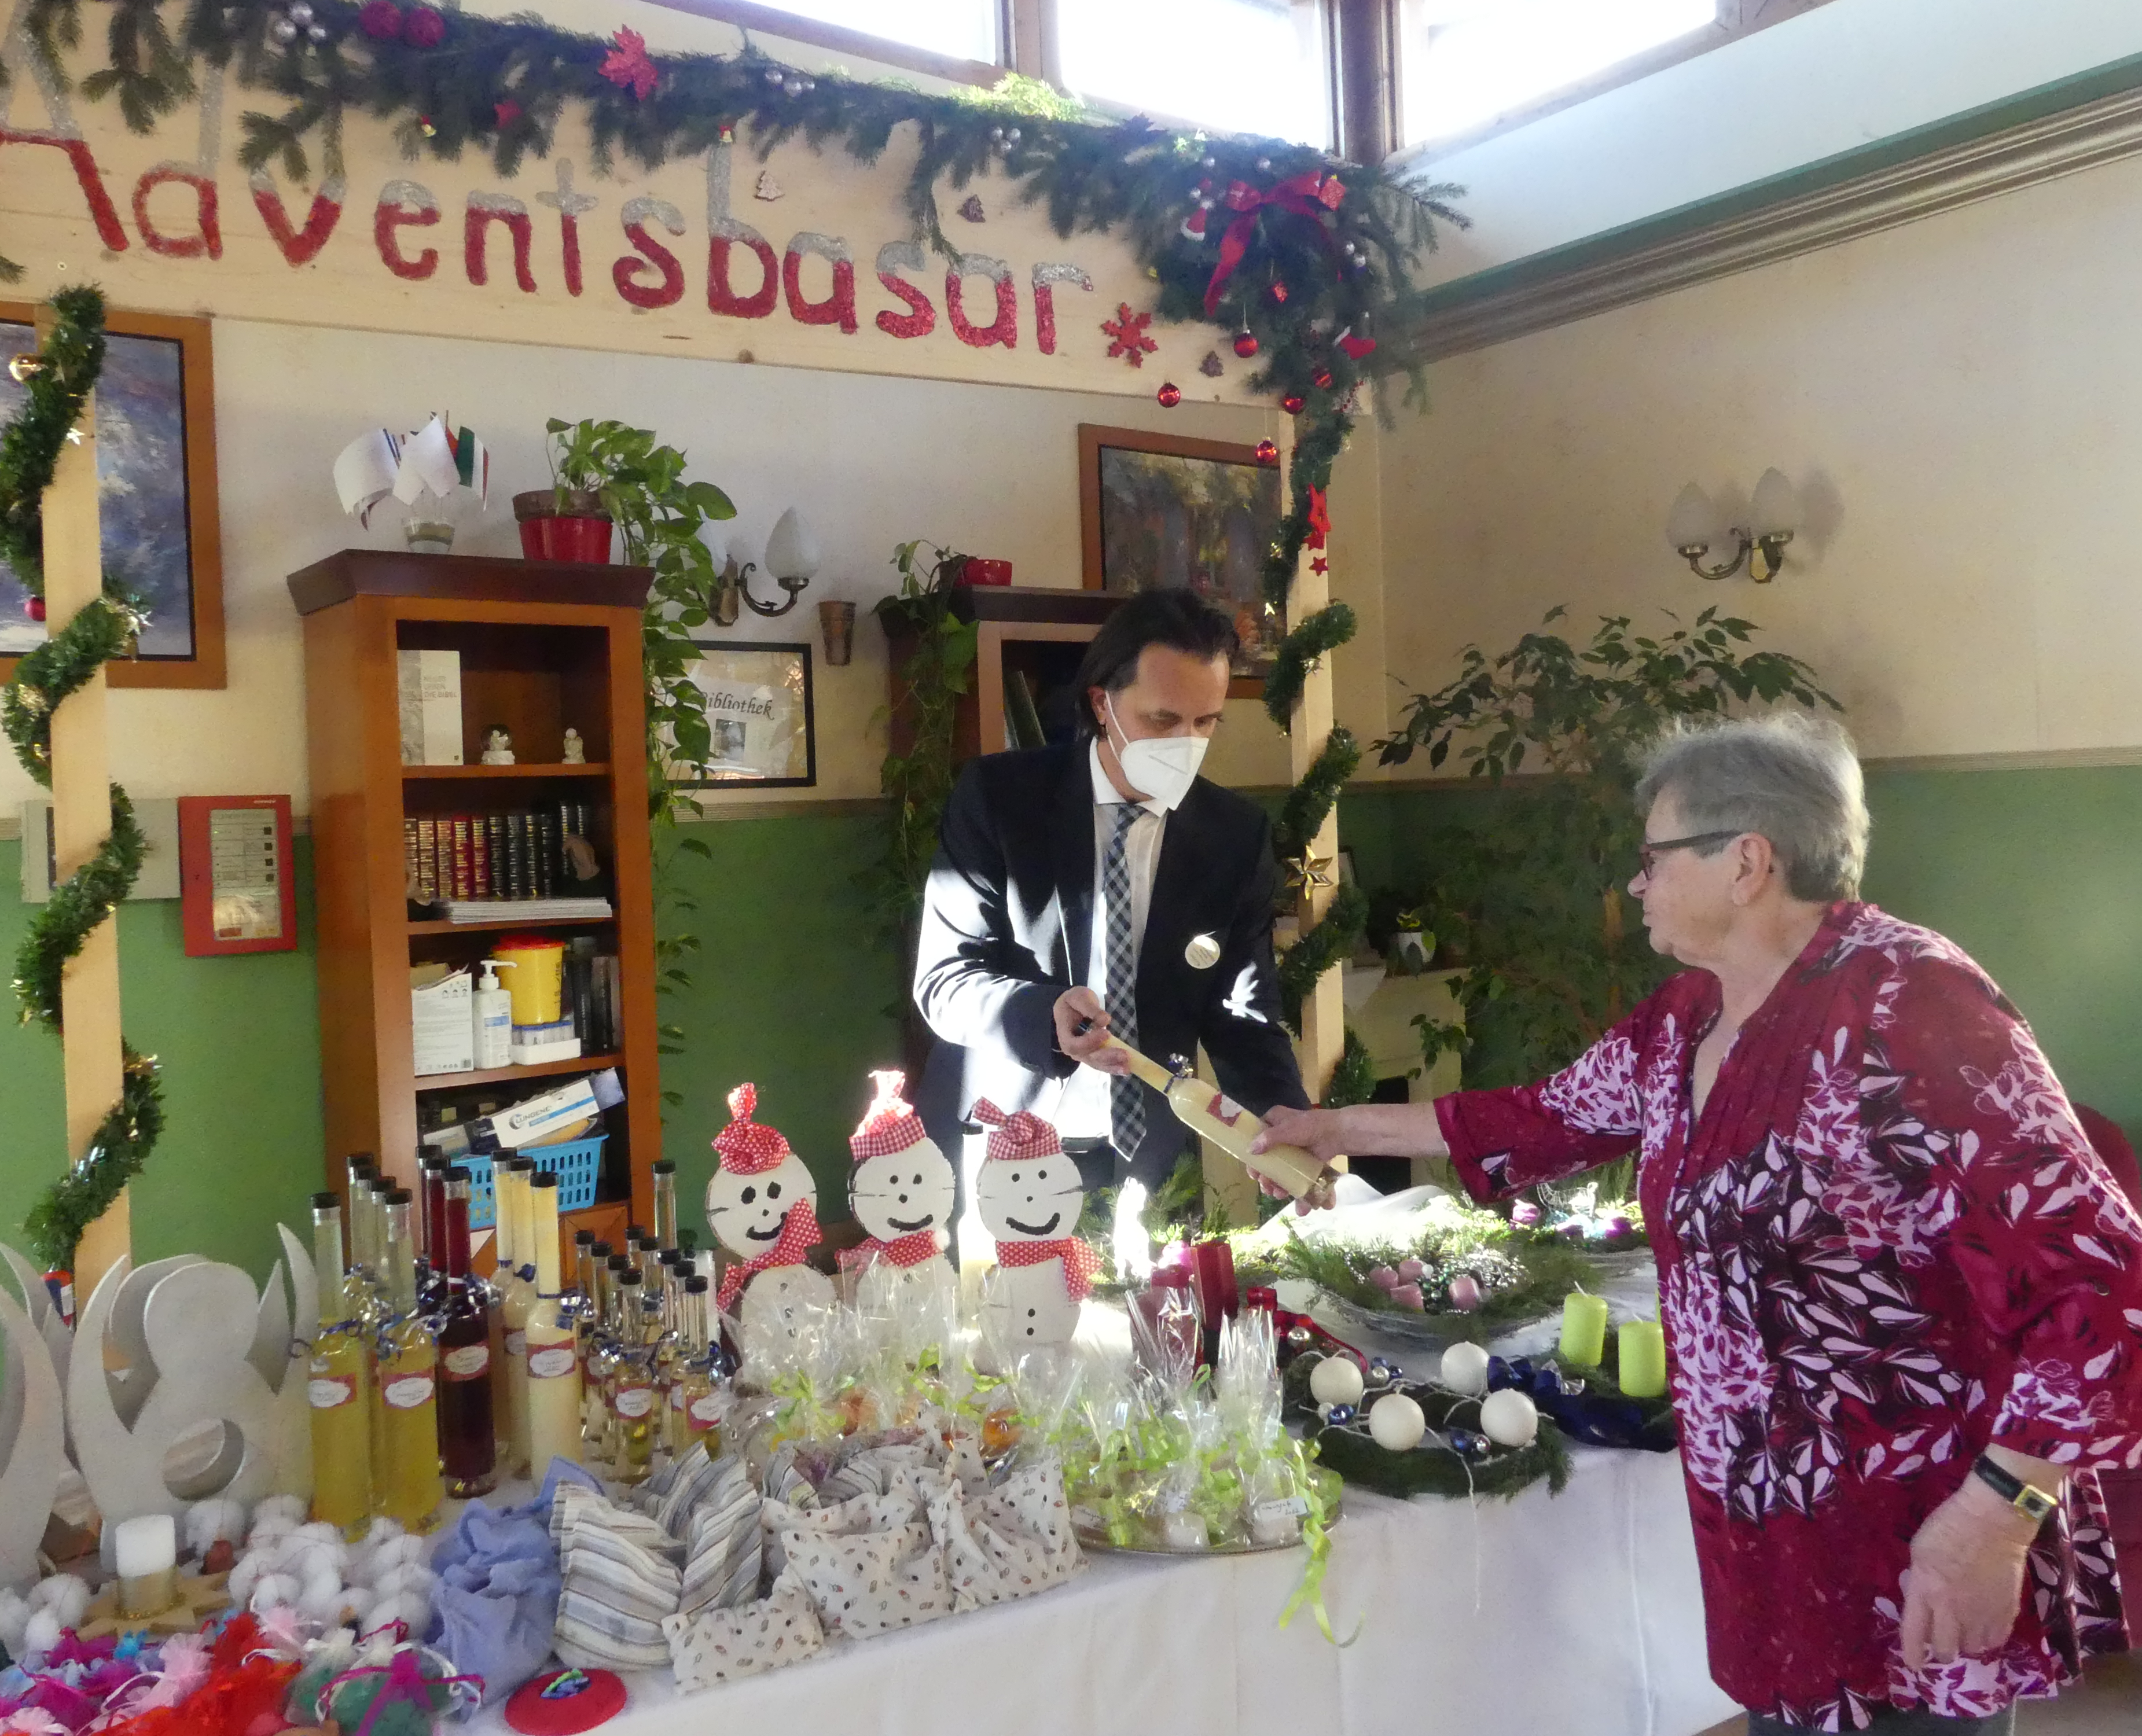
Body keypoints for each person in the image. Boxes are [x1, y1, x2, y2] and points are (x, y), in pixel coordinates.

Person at [1256, 714, 2142, 1733]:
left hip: (1921, 1526)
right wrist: (1332, 1128)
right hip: (1771, 1534)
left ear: (1747, 862)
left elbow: (2103, 1280)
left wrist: (1997, 1517)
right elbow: (1539, 1118)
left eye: (1654, 858)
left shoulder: (1910, 1002)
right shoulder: (1689, 1016)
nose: (1637, 884)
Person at [910, 588, 1309, 1226]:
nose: (1185, 742)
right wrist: (1045, 1016)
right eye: (1162, 720)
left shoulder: (1234, 836)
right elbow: (944, 982)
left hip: (1149, 1164)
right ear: (1102, 703)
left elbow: (1243, 1014)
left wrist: (1287, 1128)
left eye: (1205, 722)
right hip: (1005, 1148)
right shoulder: (1001, 800)